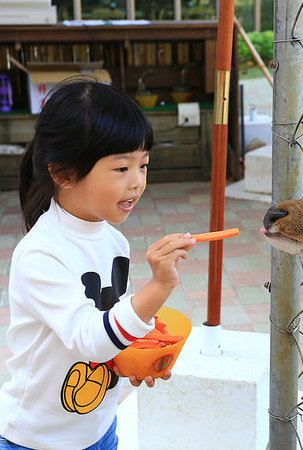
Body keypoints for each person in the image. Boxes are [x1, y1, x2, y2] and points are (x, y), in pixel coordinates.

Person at [0, 79, 196, 450]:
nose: (137, 182)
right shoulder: (41, 254)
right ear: (64, 173)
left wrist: (137, 361)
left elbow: (112, 326)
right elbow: (90, 339)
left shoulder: (112, 240)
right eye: (121, 168)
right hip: (37, 440)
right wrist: (159, 286)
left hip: (99, 428)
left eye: (144, 165)